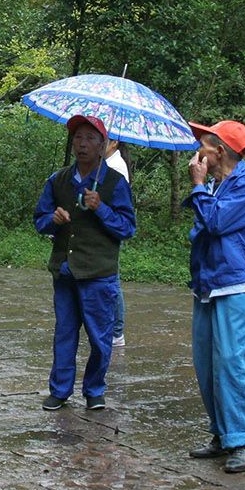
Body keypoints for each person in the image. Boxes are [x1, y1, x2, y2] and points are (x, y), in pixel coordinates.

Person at [184, 120, 245, 474]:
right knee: (206, 365)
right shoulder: (218, 187)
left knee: (230, 364)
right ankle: (222, 434)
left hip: (237, 283)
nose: (197, 154)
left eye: (203, 146)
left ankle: (243, 439)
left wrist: (198, 185)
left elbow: (216, 222)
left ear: (219, 151)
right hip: (208, 282)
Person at [33, 115, 136, 411]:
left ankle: (94, 389)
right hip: (65, 270)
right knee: (64, 332)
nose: (82, 144)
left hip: (98, 273)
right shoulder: (58, 180)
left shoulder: (114, 183)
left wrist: (100, 208)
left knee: (100, 336)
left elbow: (127, 228)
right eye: (78, 137)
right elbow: (39, 220)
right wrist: (52, 220)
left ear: (104, 144)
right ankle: (60, 390)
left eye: (91, 138)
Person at [105, 138, 132, 346]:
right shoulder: (105, 164)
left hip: (111, 229)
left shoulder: (116, 166)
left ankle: (117, 331)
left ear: (113, 142)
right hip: (103, 229)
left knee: (112, 278)